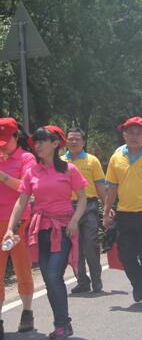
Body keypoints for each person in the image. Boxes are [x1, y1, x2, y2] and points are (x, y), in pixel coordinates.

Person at [6, 125, 87, 339]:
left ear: (55, 143)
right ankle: (63, 324)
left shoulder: (69, 170)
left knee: (52, 275)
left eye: (42, 141)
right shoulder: (32, 171)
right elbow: (21, 202)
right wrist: (9, 229)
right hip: (40, 230)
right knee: (50, 278)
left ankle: (62, 323)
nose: (38, 145)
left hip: (63, 228)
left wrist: (75, 221)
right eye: (36, 142)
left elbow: (83, 198)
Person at [102, 116, 142, 309]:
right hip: (125, 215)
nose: (134, 137)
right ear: (124, 134)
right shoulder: (116, 158)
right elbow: (111, 188)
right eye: (130, 133)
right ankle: (139, 285)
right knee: (126, 256)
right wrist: (106, 211)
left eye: (139, 133)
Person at [0, 118, 35, 337]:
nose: (2, 145)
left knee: (22, 267)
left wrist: (2, 176)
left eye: (5, 140)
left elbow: (26, 187)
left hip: (18, 222)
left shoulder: (27, 158)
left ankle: (27, 311)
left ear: (16, 137)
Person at [63, 128, 106, 294]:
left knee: (90, 244)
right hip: (67, 209)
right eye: (71, 139)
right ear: (65, 141)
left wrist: (107, 207)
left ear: (83, 141)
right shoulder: (60, 161)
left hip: (89, 206)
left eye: (77, 139)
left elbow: (100, 187)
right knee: (74, 248)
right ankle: (82, 281)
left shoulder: (92, 161)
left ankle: (96, 280)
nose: (73, 142)